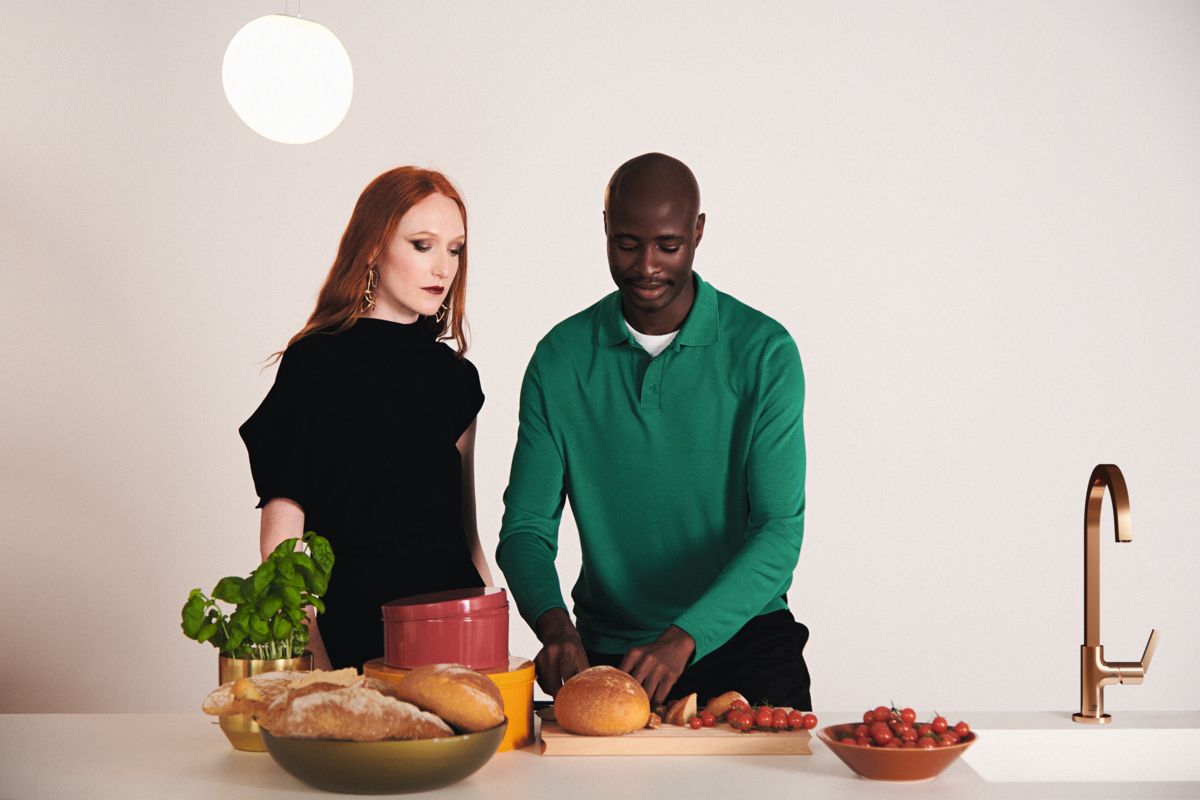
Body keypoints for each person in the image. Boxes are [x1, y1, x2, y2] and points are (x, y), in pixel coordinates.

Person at [496, 153, 810, 708]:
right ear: (605, 229)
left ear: (698, 232)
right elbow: (525, 529)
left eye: (668, 245)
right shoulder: (560, 359)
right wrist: (555, 627)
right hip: (610, 654)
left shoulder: (765, 353)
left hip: (747, 644)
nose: (646, 266)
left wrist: (683, 638)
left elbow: (779, 530)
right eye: (626, 243)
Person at [239, 166, 493, 671]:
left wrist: (489, 622)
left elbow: (465, 534)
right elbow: (281, 544)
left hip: (454, 631)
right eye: (423, 245)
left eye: (455, 250)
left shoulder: (458, 380)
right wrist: (315, 659)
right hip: (353, 633)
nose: (443, 268)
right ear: (374, 247)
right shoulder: (315, 363)